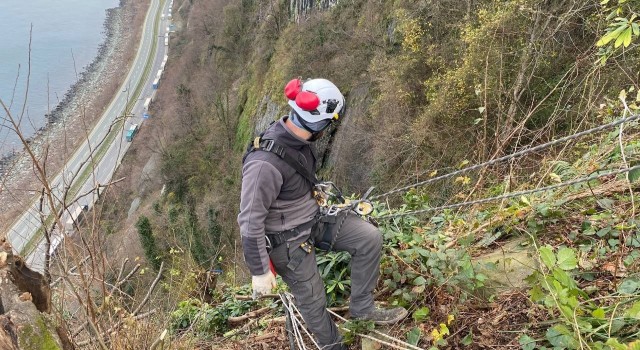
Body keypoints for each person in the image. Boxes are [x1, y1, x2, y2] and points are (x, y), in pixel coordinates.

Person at [238, 78, 407, 349]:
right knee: (313, 300)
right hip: (287, 241)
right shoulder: (264, 165)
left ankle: (362, 308)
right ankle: (333, 346)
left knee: (368, 238)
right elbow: (249, 221)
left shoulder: (296, 139)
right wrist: (259, 271)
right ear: (320, 122)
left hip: (311, 220)